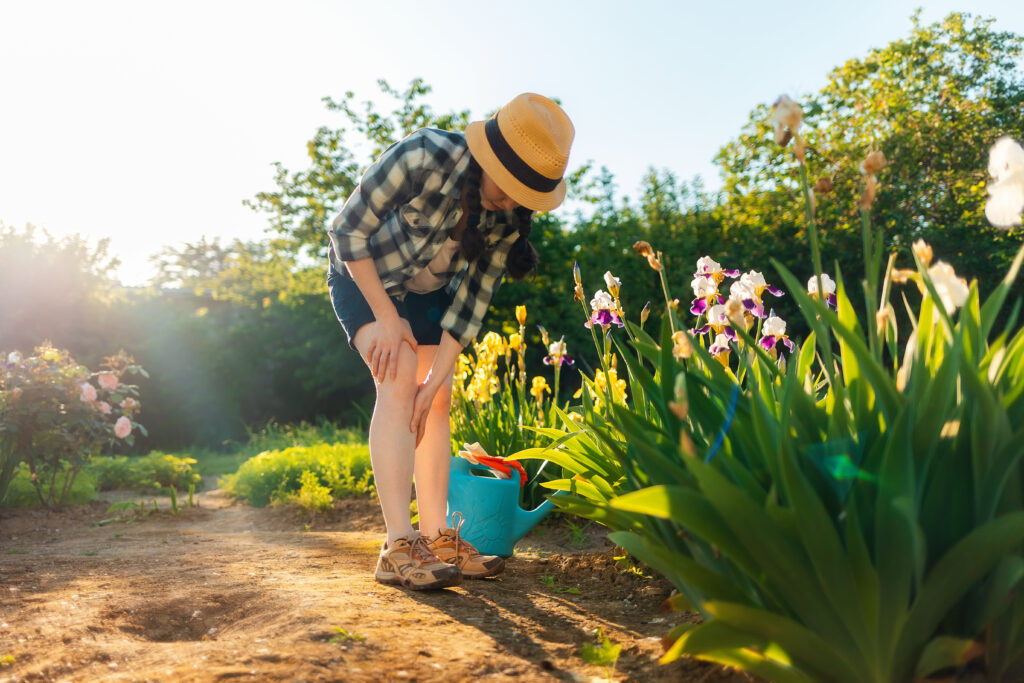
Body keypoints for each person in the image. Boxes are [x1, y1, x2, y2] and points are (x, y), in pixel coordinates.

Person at [326, 93, 574, 590]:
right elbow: (346, 230)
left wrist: (434, 381)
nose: (507, 203)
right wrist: (385, 315)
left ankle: (438, 536)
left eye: (521, 197)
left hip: (428, 293)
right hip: (364, 276)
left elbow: (467, 313)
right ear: (487, 157)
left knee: (436, 400)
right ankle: (398, 545)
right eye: (505, 189)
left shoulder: (506, 221)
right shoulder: (423, 155)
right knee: (396, 375)